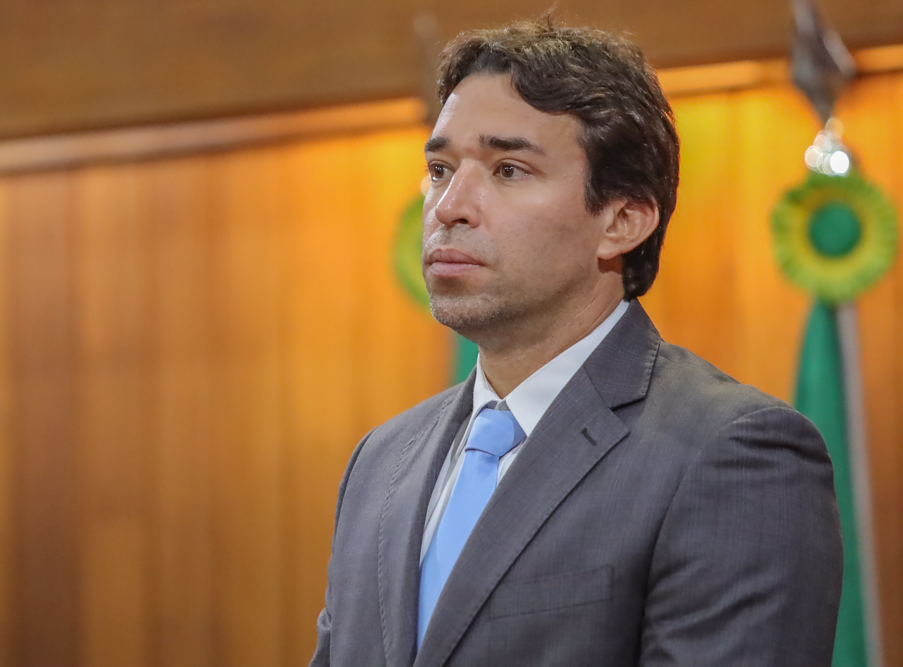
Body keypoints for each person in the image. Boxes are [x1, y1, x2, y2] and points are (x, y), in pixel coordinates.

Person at [309, 17, 842, 667]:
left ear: (622, 220)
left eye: (508, 169)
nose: (449, 206)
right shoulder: (380, 461)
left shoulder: (732, 453)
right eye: (440, 169)